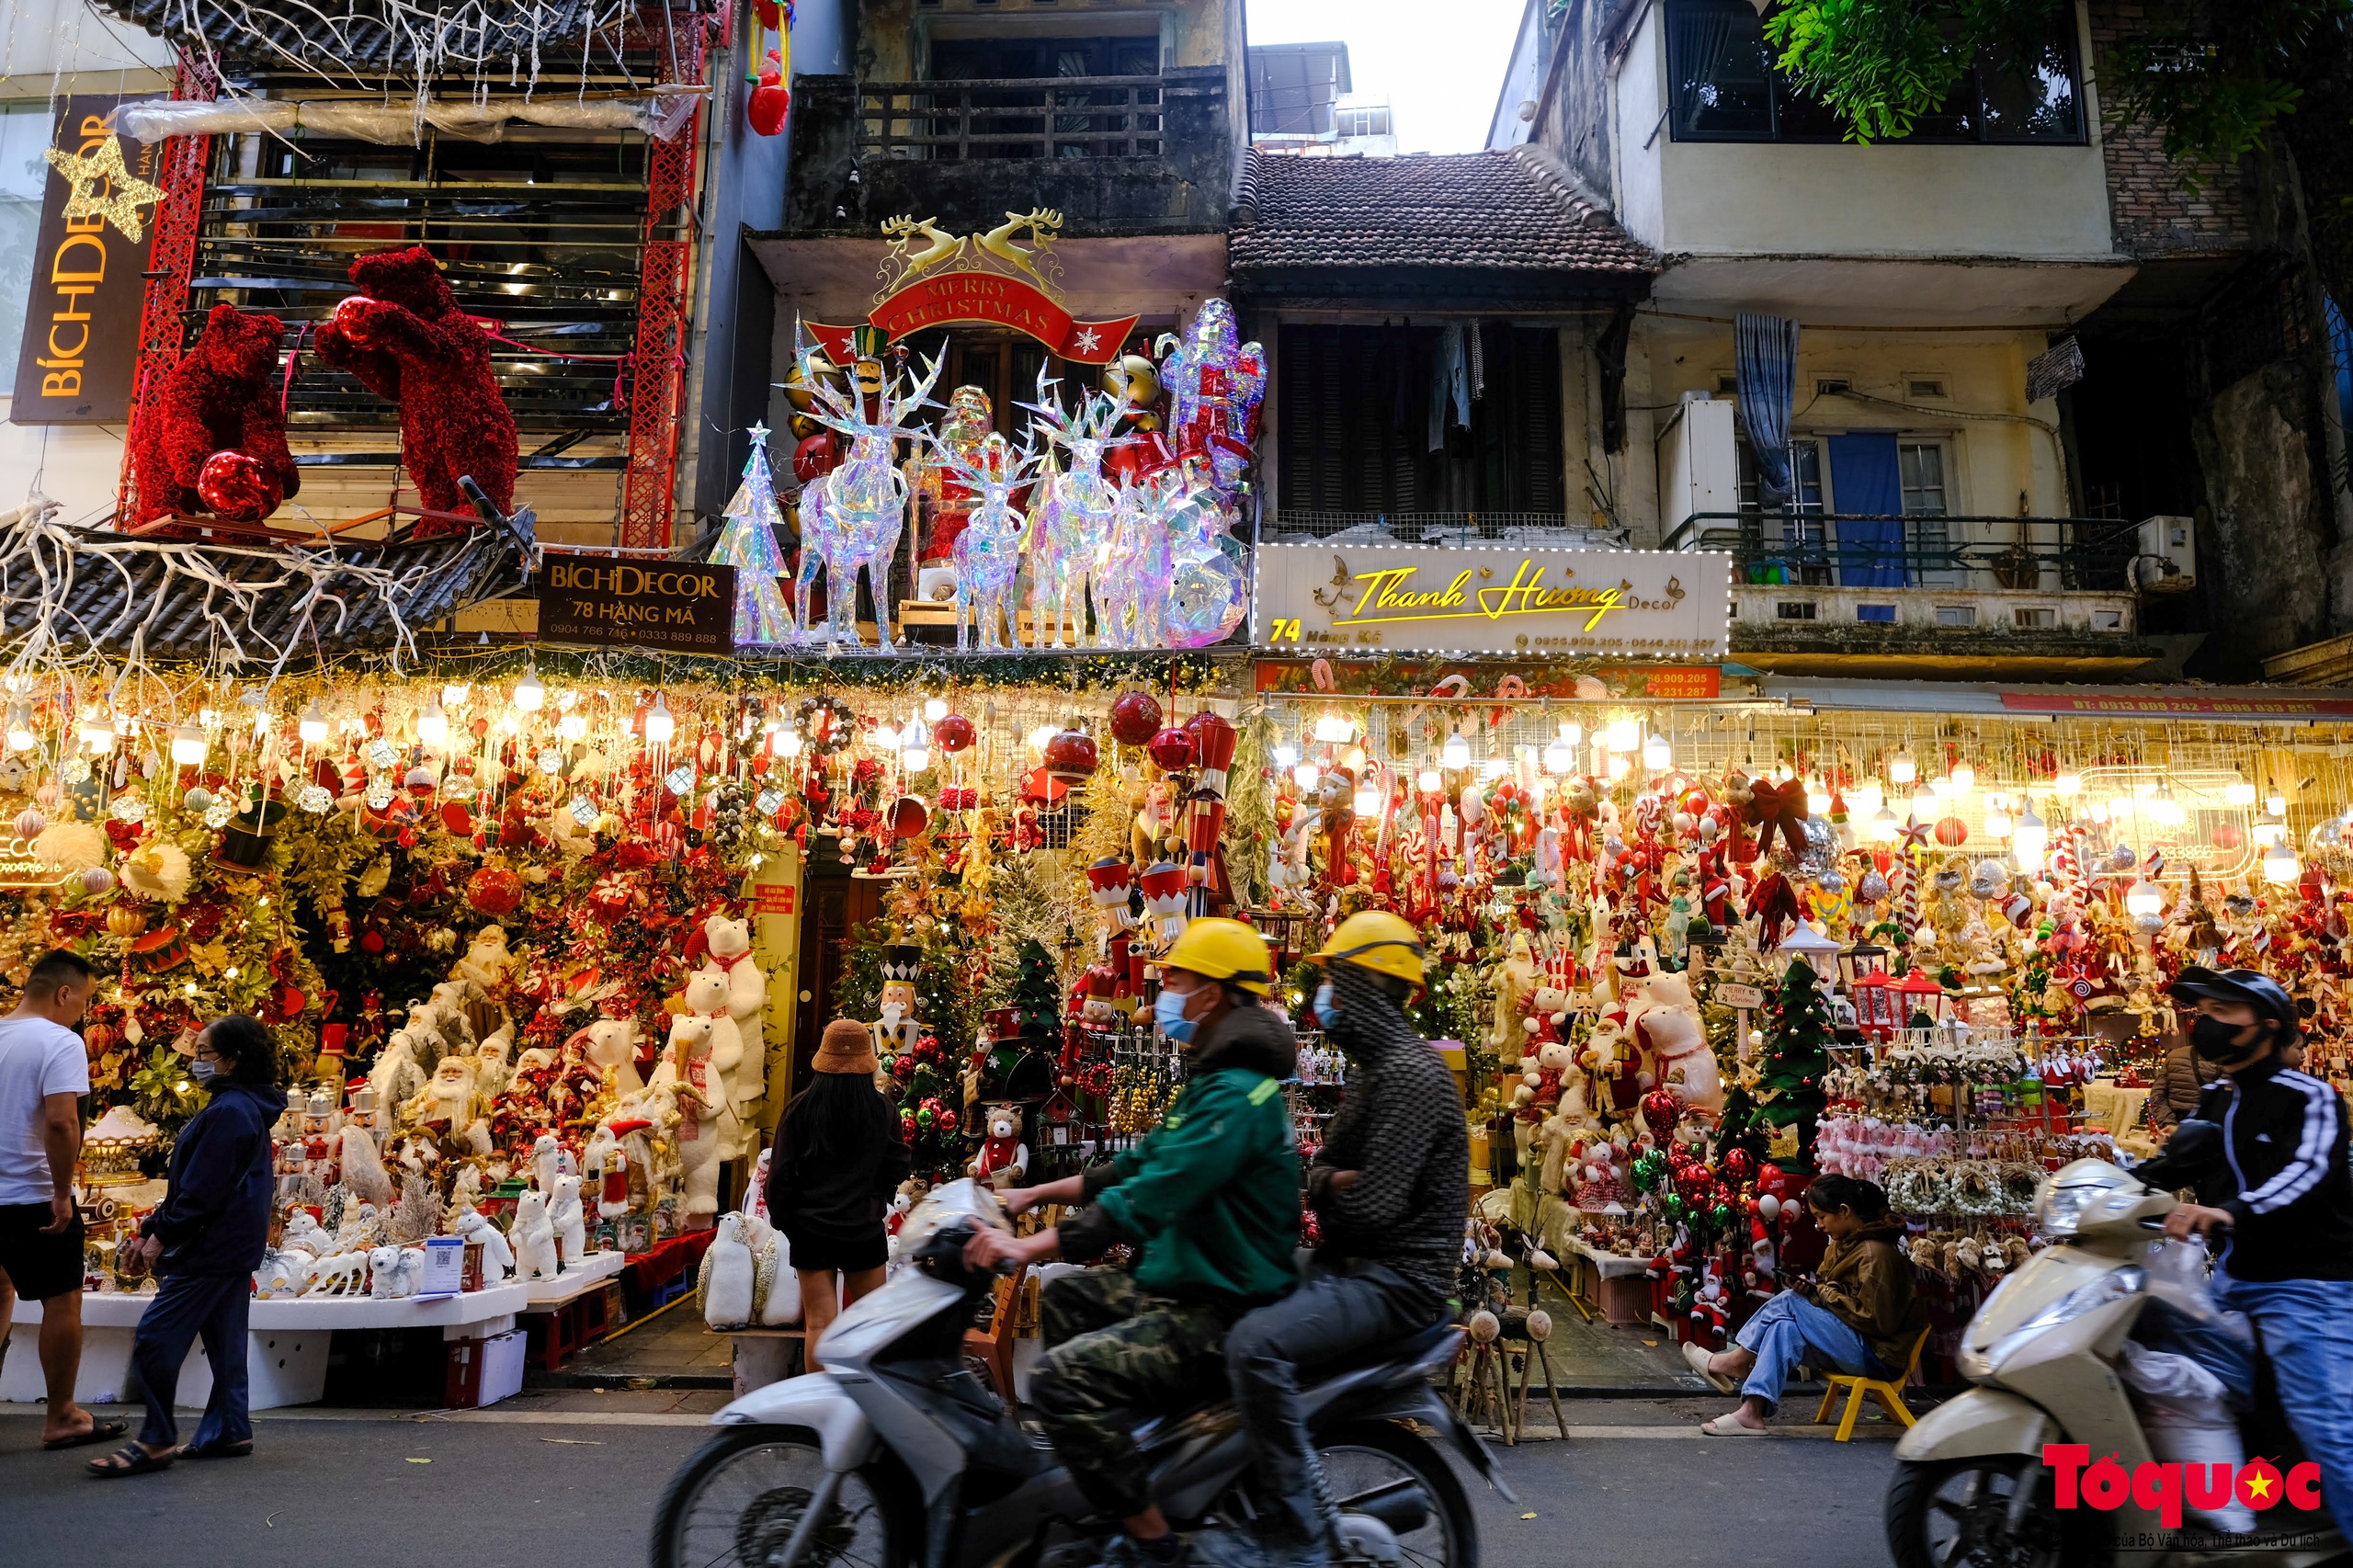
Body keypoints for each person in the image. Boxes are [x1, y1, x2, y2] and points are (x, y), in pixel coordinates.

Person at [968, 918, 1300, 1568]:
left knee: (1063, 1381)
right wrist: (1035, 1194)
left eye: (1176, 978)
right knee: (1069, 1305)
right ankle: (1125, 1463)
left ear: (1212, 994)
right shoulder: (1219, 1077)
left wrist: (1035, 1248)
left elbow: (1155, 1194)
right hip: (1185, 1280)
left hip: (1214, 1307)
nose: (1163, 990)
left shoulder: (1236, 1094)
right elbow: (1137, 1163)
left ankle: (1153, 1540)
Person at [1222, 911, 1466, 1568]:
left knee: (1255, 1347)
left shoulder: (1412, 1076)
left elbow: (1372, 1209)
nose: (1323, 991)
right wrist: (1333, 1183)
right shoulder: (1376, 1071)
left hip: (1394, 1283)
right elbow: (1326, 1174)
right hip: (1354, 1265)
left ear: (1365, 984)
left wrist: (1332, 1187)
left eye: (1334, 976)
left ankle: (1302, 1529)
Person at [2156, 966, 2353, 1522]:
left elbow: (2308, 1170)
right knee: (2176, 1382)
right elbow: (2177, 1163)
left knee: (2329, 1430)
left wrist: (2228, 1211)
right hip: (2233, 1282)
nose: (2206, 1023)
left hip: (2307, 1288)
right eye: (2203, 1012)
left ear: (2268, 1025)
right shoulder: (2218, 1098)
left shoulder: (2310, 1096)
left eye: (2223, 1013)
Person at [94, 1015, 286, 1476]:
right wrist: (153, 1228)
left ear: (233, 1060)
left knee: (155, 1340)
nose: (195, 1062)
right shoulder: (240, 1107)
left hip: (211, 1248)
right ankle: (230, 1428)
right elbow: (196, 1187)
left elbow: (200, 1192)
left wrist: (159, 1236)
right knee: (225, 1342)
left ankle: (157, 1438)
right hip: (231, 1246)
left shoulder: (229, 1112)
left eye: (204, 1054)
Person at [1683, 1174, 1916, 1435]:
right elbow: (1834, 1291)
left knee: (1791, 1302)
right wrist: (1815, 1290)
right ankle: (1752, 1412)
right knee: (1784, 1328)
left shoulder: (1875, 1253)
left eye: (1821, 1217)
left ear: (1844, 1212)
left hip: (1877, 1354)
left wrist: (1819, 1294)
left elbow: (1876, 1321)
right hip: (1854, 1341)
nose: (1819, 1225)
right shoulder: (1845, 1244)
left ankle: (1737, 1359)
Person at [0, 949, 118, 1452]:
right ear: (64, 993)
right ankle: (62, 1416)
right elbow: (61, 1121)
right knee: (62, 1300)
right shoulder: (59, 1041)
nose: (84, 1013)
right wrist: (60, 1192)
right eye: (84, 1001)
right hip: (29, 1191)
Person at [766, 1018, 910, 1372]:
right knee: (872, 1323)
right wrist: (877, 1201)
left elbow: (780, 1176)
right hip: (863, 1227)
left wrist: (789, 1223)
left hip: (810, 1230)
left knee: (819, 1323)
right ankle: (867, 1405)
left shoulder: (799, 1110)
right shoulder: (883, 1110)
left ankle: (820, 1407)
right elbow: (897, 1165)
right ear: (866, 1063)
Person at [2147, 1031, 2220, 1137]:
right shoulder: (2228, 1060)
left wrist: (2168, 1124)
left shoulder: (2174, 1055)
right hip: (2209, 1130)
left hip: (2177, 1125)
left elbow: (2157, 1095)